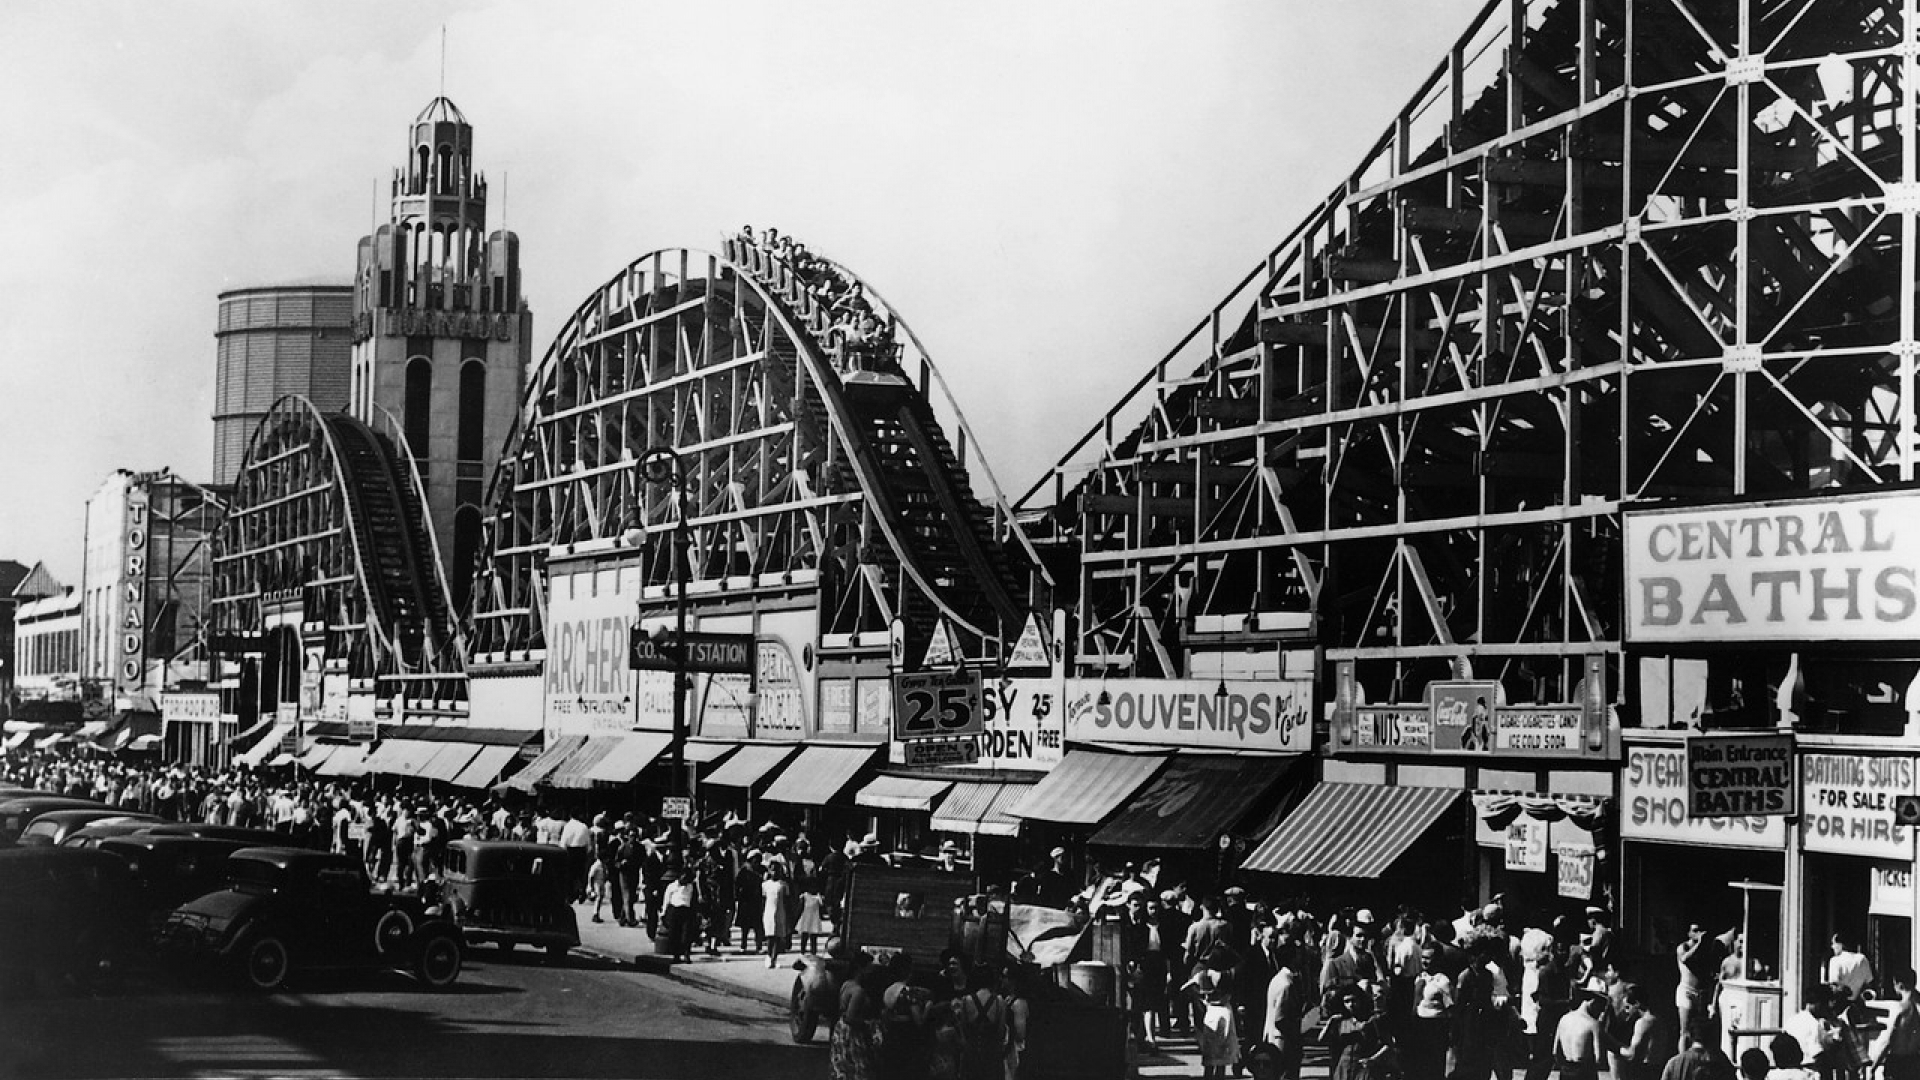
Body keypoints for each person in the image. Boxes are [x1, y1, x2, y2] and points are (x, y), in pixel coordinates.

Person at [1188, 940, 1241, 1079]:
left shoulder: (1203, 975)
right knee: (1223, 1056)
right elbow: (1239, 962)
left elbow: (1187, 988)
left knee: (1210, 1054)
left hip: (1211, 1011)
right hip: (1226, 1011)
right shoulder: (1227, 975)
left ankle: (1208, 1076)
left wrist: (1202, 997)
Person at [1325, 984, 1397, 1080]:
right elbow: (1323, 1041)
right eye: (1346, 1002)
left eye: (1354, 1000)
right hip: (1343, 1068)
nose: (1351, 1005)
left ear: (1361, 1000)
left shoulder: (1373, 1021)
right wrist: (1329, 1023)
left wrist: (1372, 1059)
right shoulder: (1341, 1022)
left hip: (1364, 1068)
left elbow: (1388, 1044)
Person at [831, 950, 883, 1080]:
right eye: (869, 968)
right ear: (861, 969)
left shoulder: (846, 985)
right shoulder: (858, 991)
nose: (871, 971)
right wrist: (869, 1024)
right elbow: (851, 1017)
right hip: (852, 1034)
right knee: (858, 1069)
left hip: (841, 1030)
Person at [1873, 967, 1920, 1080]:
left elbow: (1888, 1041)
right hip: (1915, 1061)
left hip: (1897, 1062)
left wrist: (1874, 1066)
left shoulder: (1899, 1008)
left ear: (1900, 985)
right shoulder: (1917, 1006)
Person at [1552, 991, 1608, 1080]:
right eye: (1600, 1009)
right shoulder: (1593, 1024)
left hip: (1565, 1070)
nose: (1600, 1013)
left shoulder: (1563, 1019)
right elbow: (1598, 1058)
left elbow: (1555, 1052)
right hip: (1585, 1071)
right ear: (1593, 1002)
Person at [1826, 934, 1875, 1001]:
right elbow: (1869, 982)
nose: (1832, 947)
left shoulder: (1834, 961)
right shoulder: (1862, 959)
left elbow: (1834, 984)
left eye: (1833, 943)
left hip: (1841, 1002)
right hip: (1858, 1003)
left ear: (1840, 945)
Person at [762, 863, 793, 969]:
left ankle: (774, 958)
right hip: (768, 912)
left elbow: (787, 901)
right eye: (772, 870)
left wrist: (788, 915)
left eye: (777, 870)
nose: (774, 872)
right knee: (770, 936)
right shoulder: (765, 885)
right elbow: (763, 900)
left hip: (780, 912)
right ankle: (768, 955)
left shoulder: (783, 885)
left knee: (777, 937)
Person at [795, 876, 827, 955]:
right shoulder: (804, 896)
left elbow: (822, 907)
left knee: (813, 938)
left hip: (814, 918)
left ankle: (813, 953)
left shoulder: (818, 897)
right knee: (804, 937)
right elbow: (800, 908)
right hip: (805, 918)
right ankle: (802, 952)